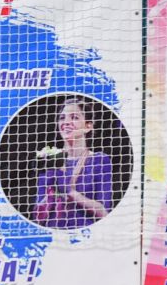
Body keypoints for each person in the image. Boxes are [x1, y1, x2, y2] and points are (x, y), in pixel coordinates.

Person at [31, 98, 117, 229]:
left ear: (88, 126)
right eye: (62, 118)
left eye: (74, 117)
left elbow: (104, 212)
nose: (66, 122)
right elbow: (38, 217)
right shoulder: (49, 159)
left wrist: (71, 193)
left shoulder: (99, 160)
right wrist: (50, 194)